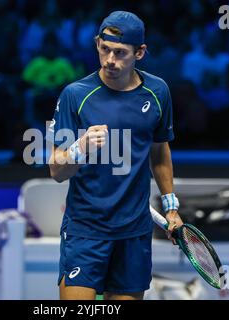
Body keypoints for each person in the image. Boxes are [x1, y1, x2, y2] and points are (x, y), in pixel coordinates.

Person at [46, 11, 184, 300]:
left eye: (120, 53)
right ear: (97, 44)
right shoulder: (75, 94)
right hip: (85, 231)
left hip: (134, 233)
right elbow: (56, 171)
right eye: (104, 49)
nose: (110, 60)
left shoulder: (158, 92)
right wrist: (78, 148)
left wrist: (171, 206)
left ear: (140, 52)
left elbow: (159, 152)